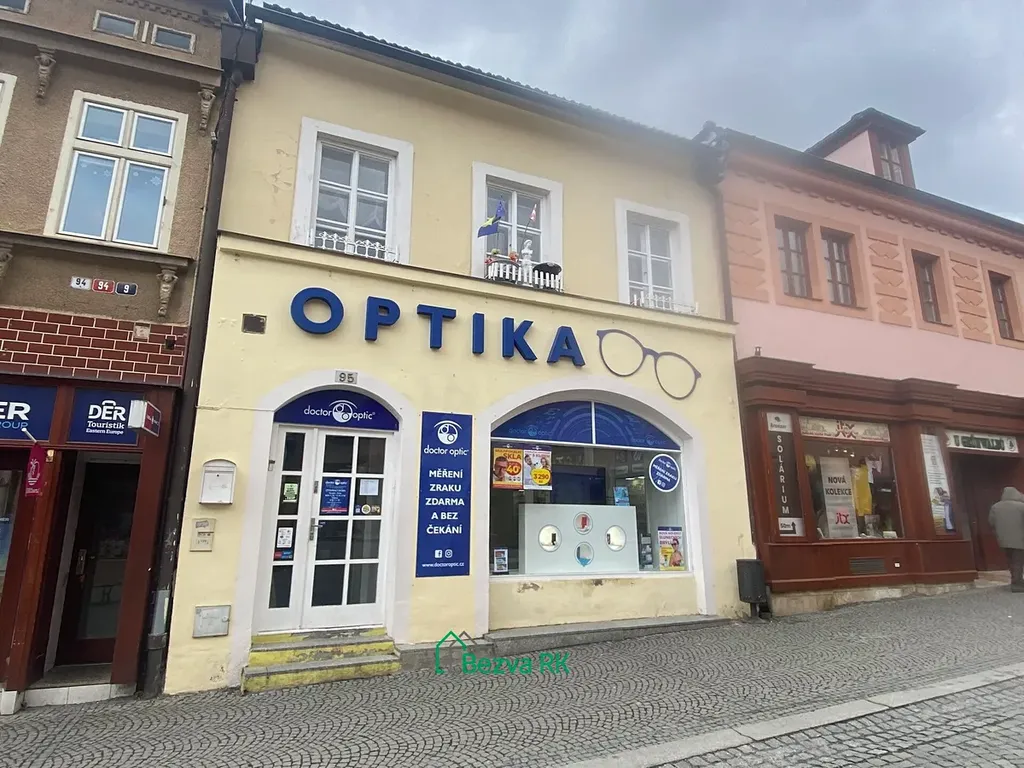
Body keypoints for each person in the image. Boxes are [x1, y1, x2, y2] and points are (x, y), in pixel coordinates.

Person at [988, 487, 1024, 592]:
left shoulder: (995, 507)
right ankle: (1017, 584)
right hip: (1020, 539)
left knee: (1011, 561)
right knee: (1018, 562)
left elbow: (991, 522)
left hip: (1003, 540)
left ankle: (1016, 580)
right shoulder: (1021, 506)